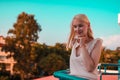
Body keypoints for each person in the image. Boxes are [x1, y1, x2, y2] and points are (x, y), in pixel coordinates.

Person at [66, 14, 103, 80]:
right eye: (75, 26)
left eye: (80, 26)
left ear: (88, 25)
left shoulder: (97, 43)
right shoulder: (74, 43)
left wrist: (82, 45)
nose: (77, 29)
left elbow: (90, 68)